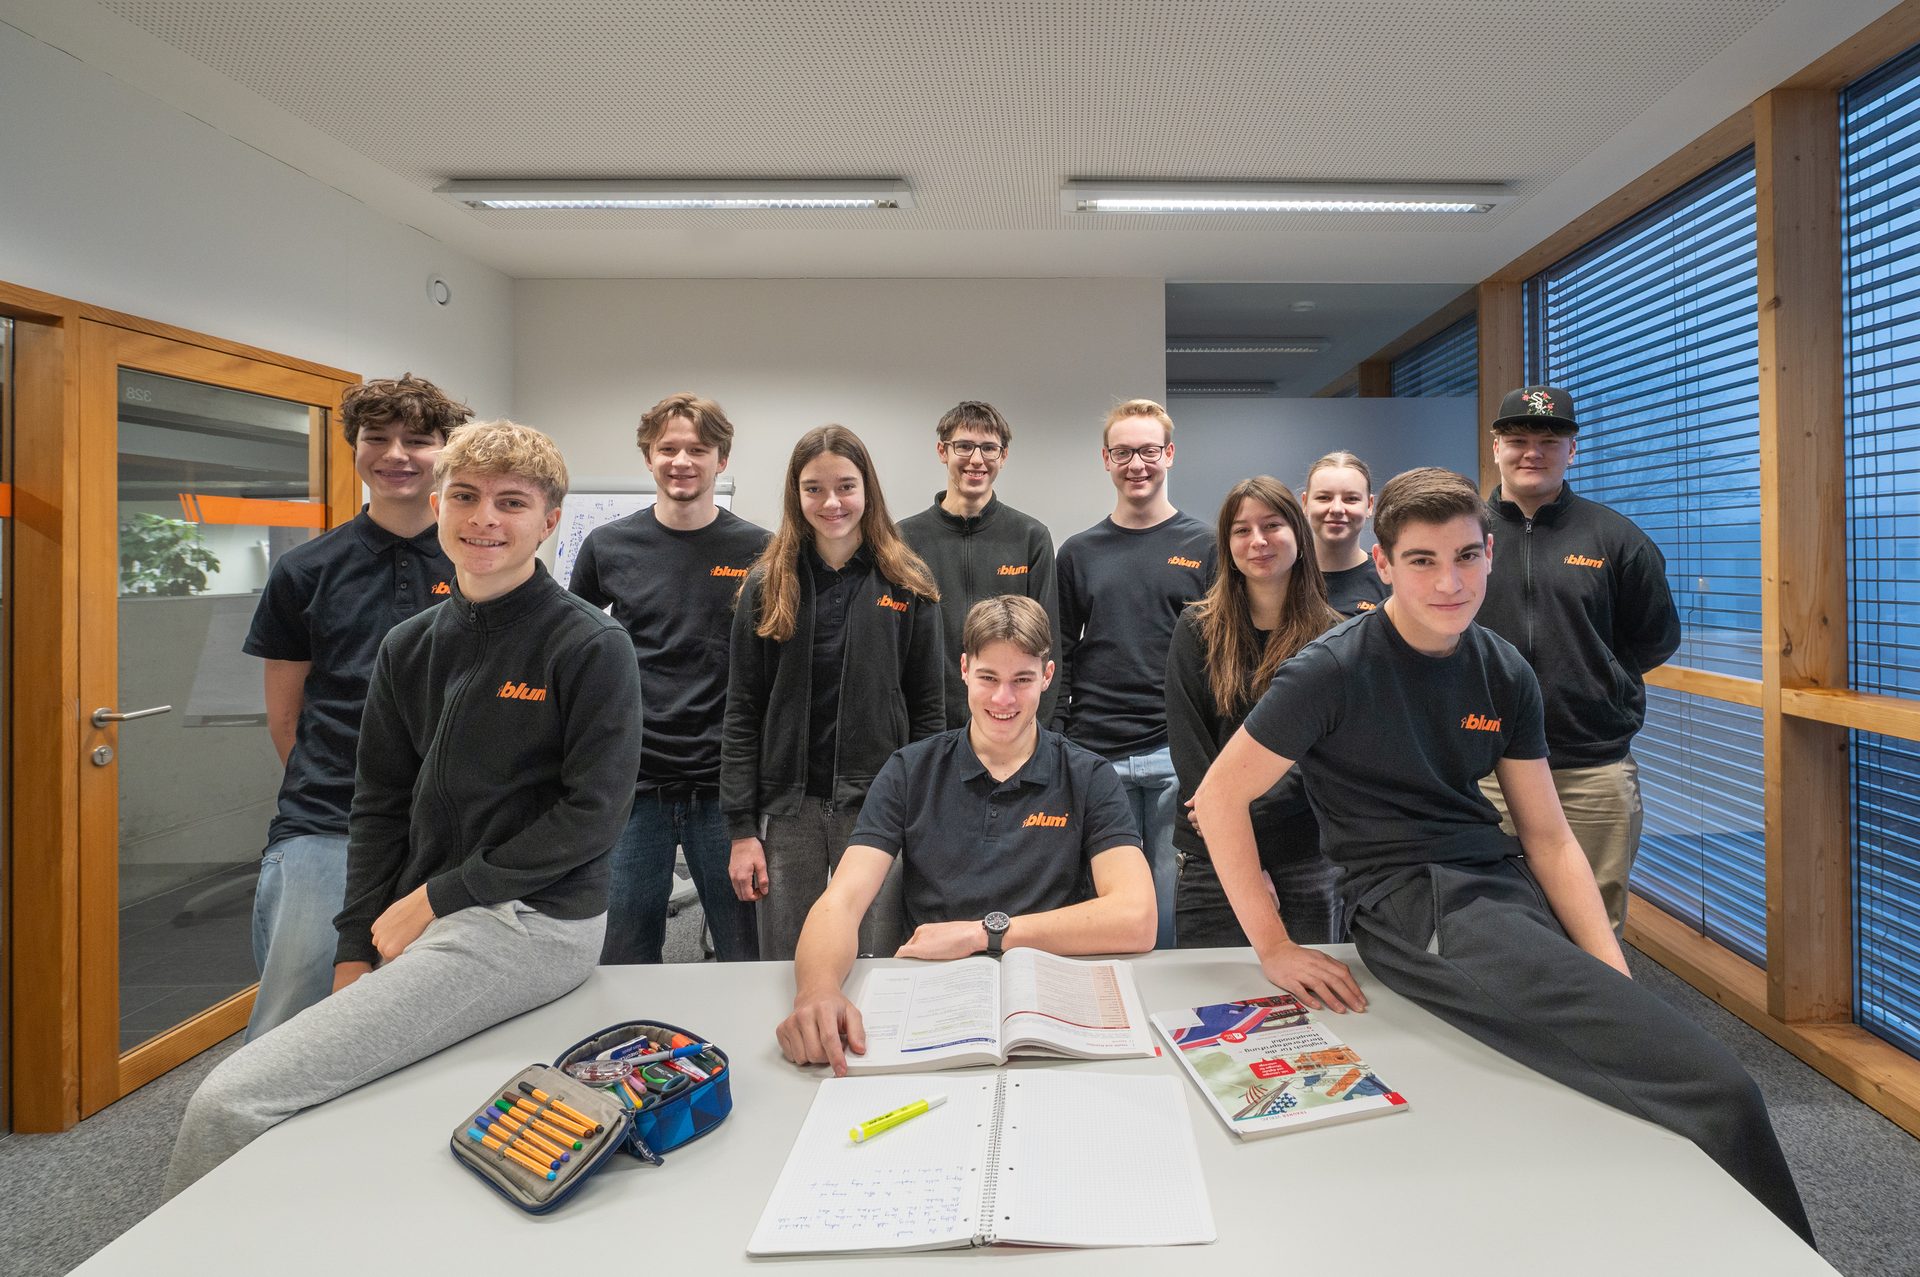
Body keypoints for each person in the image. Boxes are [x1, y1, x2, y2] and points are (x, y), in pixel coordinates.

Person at [1191, 467, 1812, 1244]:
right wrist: (1275, 946)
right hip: (1414, 903)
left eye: (1464, 556)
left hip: (1500, 883)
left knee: (1619, 1083)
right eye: (1421, 559)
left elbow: (1549, 837)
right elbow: (1217, 799)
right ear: (1382, 564)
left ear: (1490, 552)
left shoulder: (1502, 668)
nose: (1448, 581)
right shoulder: (1330, 669)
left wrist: (1609, 973)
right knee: (1722, 1088)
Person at [166, 421, 643, 1195]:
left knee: (230, 1099)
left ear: (549, 522)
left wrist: (435, 897)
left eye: (511, 501)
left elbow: (592, 815)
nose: (484, 517)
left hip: (533, 920)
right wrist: (355, 944)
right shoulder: (410, 644)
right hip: (422, 914)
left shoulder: (589, 645)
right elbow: (379, 804)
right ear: (437, 504)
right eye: (465, 496)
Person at [775, 596, 1155, 1074]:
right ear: (963, 669)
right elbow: (843, 899)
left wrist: (983, 936)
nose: (1003, 700)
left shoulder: (1089, 776)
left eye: (1022, 680)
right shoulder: (909, 770)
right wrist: (818, 991)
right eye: (988, 678)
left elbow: (1138, 917)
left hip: (1048, 989)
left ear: (1048, 676)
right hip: (936, 993)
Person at [240, 373, 472, 1042]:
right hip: (326, 824)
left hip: (454, 830)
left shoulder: (481, 566)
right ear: (354, 447)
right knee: (299, 1017)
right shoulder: (306, 570)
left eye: (418, 440)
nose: (396, 453)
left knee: (432, 1017)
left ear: (446, 451)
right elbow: (287, 718)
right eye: (377, 437)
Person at [722, 425, 944, 962]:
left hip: (877, 807)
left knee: (879, 956)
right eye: (813, 488)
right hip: (788, 813)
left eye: (845, 486)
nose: (831, 502)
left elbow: (929, 712)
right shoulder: (768, 583)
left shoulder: (907, 583)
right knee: (787, 959)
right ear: (795, 496)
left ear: (867, 490)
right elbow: (742, 711)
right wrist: (741, 831)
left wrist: (922, 816)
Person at [569, 392, 769, 963]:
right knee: (622, 954)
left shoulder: (760, 550)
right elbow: (572, 651)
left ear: (721, 461)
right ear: (649, 458)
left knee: (745, 950)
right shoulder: (608, 547)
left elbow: (774, 668)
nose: (682, 461)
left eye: (698, 450)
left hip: (726, 790)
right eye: (668, 449)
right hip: (635, 787)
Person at [1476, 386, 1682, 935]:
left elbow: (1655, 639)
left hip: (1591, 771)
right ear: (1495, 447)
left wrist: (1596, 674)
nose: (1531, 453)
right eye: (1517, 439)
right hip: (1482, 769)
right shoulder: (1463, 534)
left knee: (1592, 925)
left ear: (1573, 450)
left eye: (1549, 440)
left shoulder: (1615, 539)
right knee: (1492, 925)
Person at [1053, 398, 1214, 949]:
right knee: (1105, 907)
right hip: (1097, 751)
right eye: (1123, 452)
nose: (1136, 464)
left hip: (1177, 752)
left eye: (1148, 451)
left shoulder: (1207, 546)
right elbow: (1059, 654)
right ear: (1106, 460)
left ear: (1169, 454)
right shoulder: (1078, 552)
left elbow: (1221, 655)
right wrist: (1060, 739)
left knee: (1169, 905)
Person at [1167, 477, 1342, 947]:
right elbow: (1189, 743)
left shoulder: (1336, 636)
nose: (1258, 541)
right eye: (1242, 530)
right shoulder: (1196, 628)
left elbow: (1324, 756)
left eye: (1272, 526)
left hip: (1302, 850)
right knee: (1209, 1004)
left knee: (1309, 1006)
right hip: (1209, 854)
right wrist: (1234, 849)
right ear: (1227, 545)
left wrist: (1234, 811)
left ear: (1299, 538)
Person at [899, 400, 1060, 728]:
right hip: (929, 727)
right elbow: (896, 644)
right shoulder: (904, 540)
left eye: (989, 448)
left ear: (1003, 456)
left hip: (1009, 721)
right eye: (964, 446)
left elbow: (1049, 643)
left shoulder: (1030, 538)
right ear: (942, 451)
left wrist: (1035, 731)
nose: (976, 459)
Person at [1303, 450, 1388, 617]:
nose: (1336, 509)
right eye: (1324, 497)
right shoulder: (1283, 577)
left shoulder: (1388, 580)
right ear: (1305, 503)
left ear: (1369, 505)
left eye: (1351, 499)